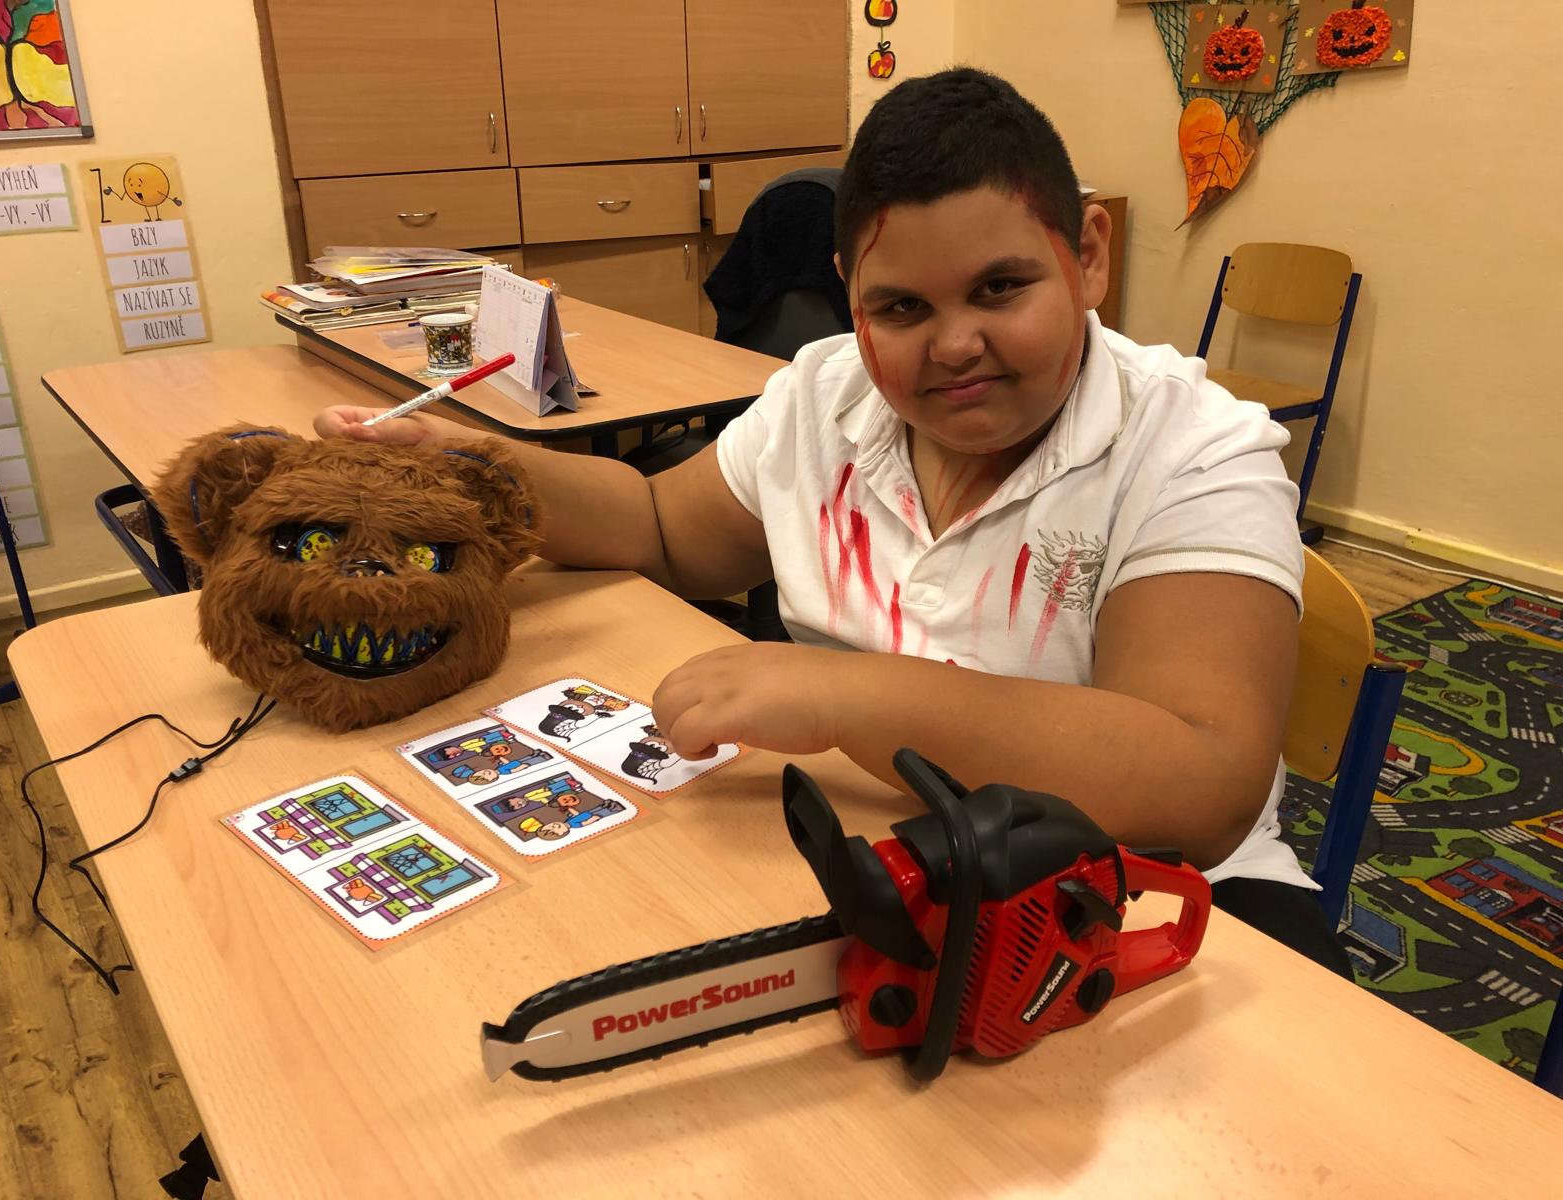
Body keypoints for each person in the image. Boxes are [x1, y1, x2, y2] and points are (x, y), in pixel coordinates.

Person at [314, 67, 1350, 976]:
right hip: (900, 862)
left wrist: (849, 696)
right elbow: (663, 528)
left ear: (1086, 255)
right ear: (851, 295)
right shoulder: (825, 395)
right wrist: (471, 471)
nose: (954, 345)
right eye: (902, 308)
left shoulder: (1193, 449)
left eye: (1000, 288)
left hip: (1156, 903)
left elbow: (1201, 785)